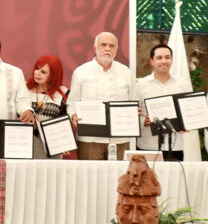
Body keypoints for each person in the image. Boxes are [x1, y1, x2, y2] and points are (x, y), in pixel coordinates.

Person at [67, 31, 135, 160]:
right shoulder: (81, 72)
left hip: (119, 138)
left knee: (118, 177)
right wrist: (73, 115)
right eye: (103, 45)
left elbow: (133, 101)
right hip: (90, 138)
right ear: (95, 48)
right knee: (89, 177)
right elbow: (72, 103)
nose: (107, 49)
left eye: (112, 46)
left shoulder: (126, 72)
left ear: (116, 49)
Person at [136, 44, 193, 161]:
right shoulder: (140, 85)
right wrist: (143, 122)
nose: (164, 61)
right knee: (147, 179)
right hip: (147, 145)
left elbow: (190, 111)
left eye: (167, 57)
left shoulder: (183, 85)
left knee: (172, 179)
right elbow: (133, 113)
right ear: (152, 61)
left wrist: (187, 123)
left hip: (175, 146)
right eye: (159, 57)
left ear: (172, 60)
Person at [25, 55, 69, 159]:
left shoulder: (63, 93)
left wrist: (65, 143)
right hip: (27, 143)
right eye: (37, 69)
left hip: (52, 145)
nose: (37, 73)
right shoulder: (24, 88)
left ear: (53, 75)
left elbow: (64, 123)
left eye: (43, 72)